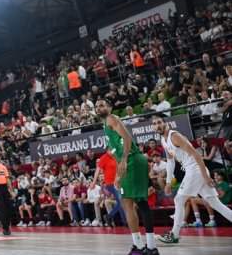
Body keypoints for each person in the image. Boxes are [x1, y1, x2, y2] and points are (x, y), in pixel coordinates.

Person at [153, 114, 232, 245]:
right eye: (155, 124)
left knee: (179, 199)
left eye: (159, 122)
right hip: (191, 170)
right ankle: (174, 234)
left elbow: (196, 154)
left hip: (195, 169)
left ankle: (174, 234)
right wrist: (167, 181)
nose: (158, 125)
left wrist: (205, 175)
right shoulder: (163, 140)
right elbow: (171, 162)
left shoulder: (174, 136)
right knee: (215, 204)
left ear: (165, 124)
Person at [95, 99, 158, 255]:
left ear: (109, 108)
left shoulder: (112, 118)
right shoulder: (106, 125)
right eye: (96, 106)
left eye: (102, 105)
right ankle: (148, 247)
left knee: (128, 204)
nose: (99, 107)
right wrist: (117, 174)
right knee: (138, 204)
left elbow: (128, 138)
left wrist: (123, 160)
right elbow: (117, 152)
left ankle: (143, 247)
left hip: (131, 160)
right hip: (131, 161)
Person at [94, 149, 126, 227]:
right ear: (108, 150)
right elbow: (98, 170)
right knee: (121, 201)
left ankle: (108, 217)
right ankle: (125, 222)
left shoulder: (116, 157)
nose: (113, 151)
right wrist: (94, 181)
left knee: (122, 202)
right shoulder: (104, 158)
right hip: (110, 183)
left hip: (119, 182)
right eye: (111, 150)